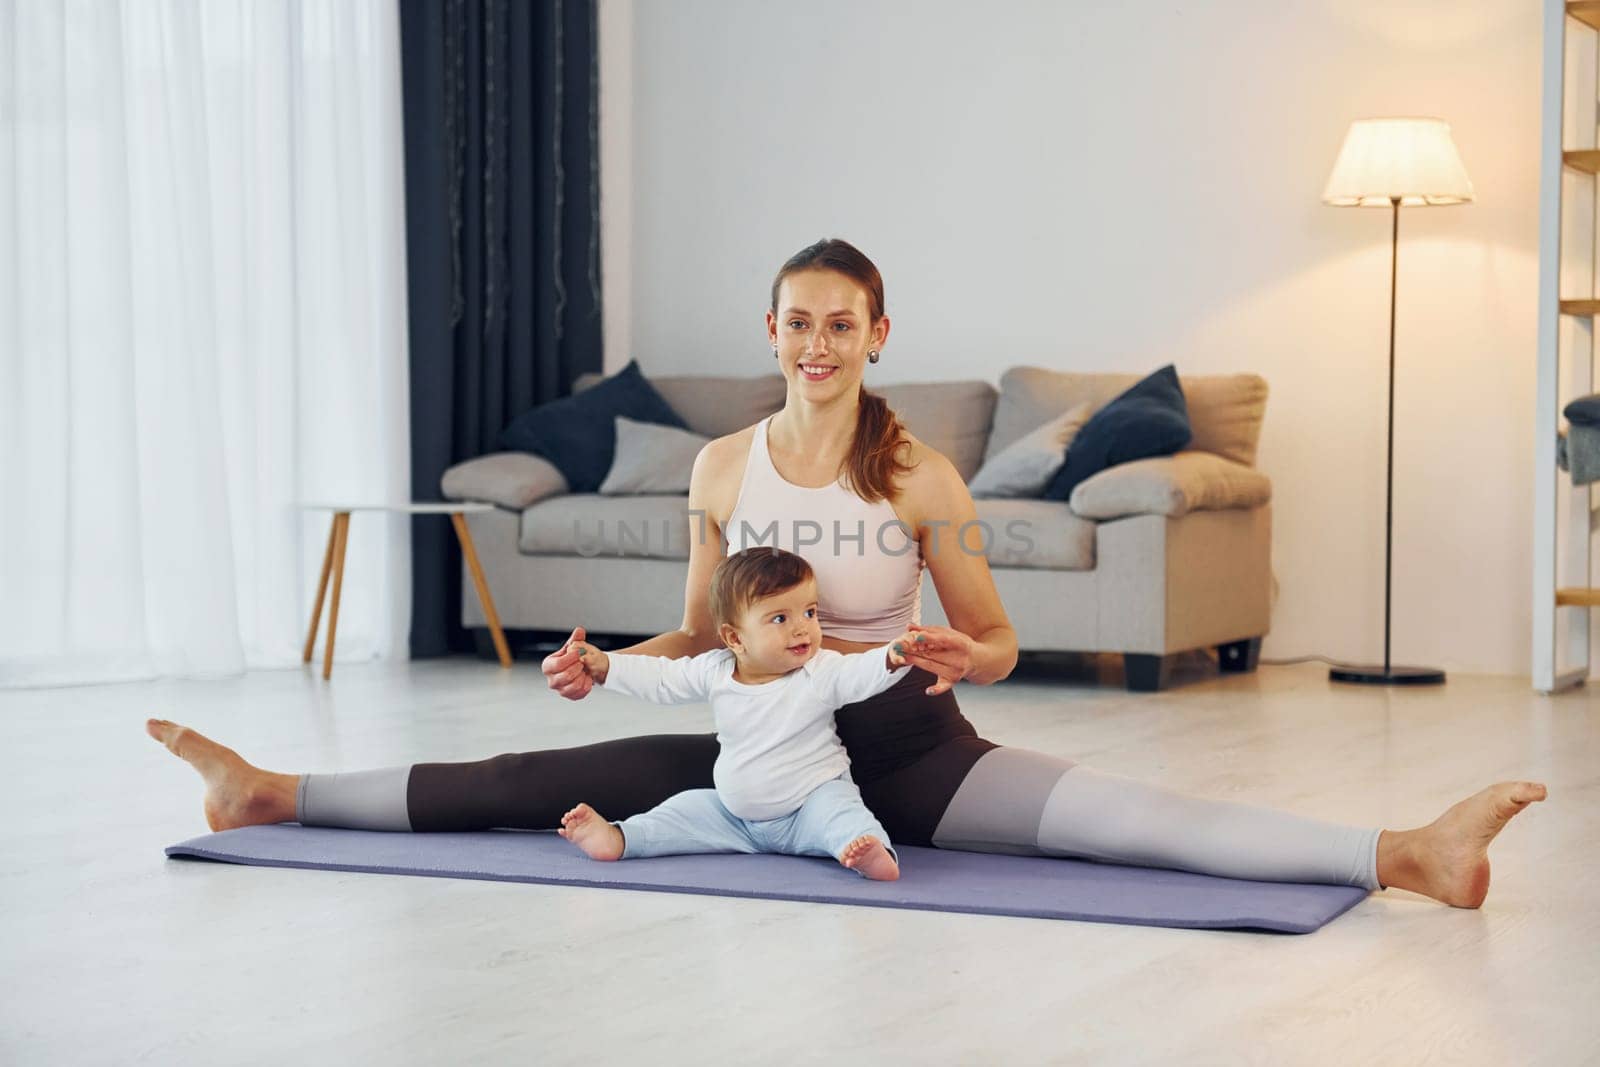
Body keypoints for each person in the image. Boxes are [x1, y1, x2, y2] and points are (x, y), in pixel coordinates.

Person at [147, 237, 1547, 909]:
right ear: (774, 327)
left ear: (878, 332)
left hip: (909, 755)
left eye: (842, 323)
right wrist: (608, 663)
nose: (817, 341)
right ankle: (271, 788)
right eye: (798, 321)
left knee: (1136, 814)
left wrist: (958, 655)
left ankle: (1408, 852)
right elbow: (699, 629)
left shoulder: (920, 475)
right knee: (521, 777)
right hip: (758, 758)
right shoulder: (717, 467)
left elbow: (995, 639)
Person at [557, 546, 918, 881]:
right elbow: (662, 678)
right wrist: (607, 666)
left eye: (810, 612)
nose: (801, 627)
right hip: (734, 818)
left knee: (840, 811)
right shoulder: (715, 670)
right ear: (734, 639)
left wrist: (894, 655)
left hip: (807, 808)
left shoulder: (818, 672)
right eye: (780, 618)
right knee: (683, 809)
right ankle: (620, 838)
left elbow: (858, 674)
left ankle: (870, 851)